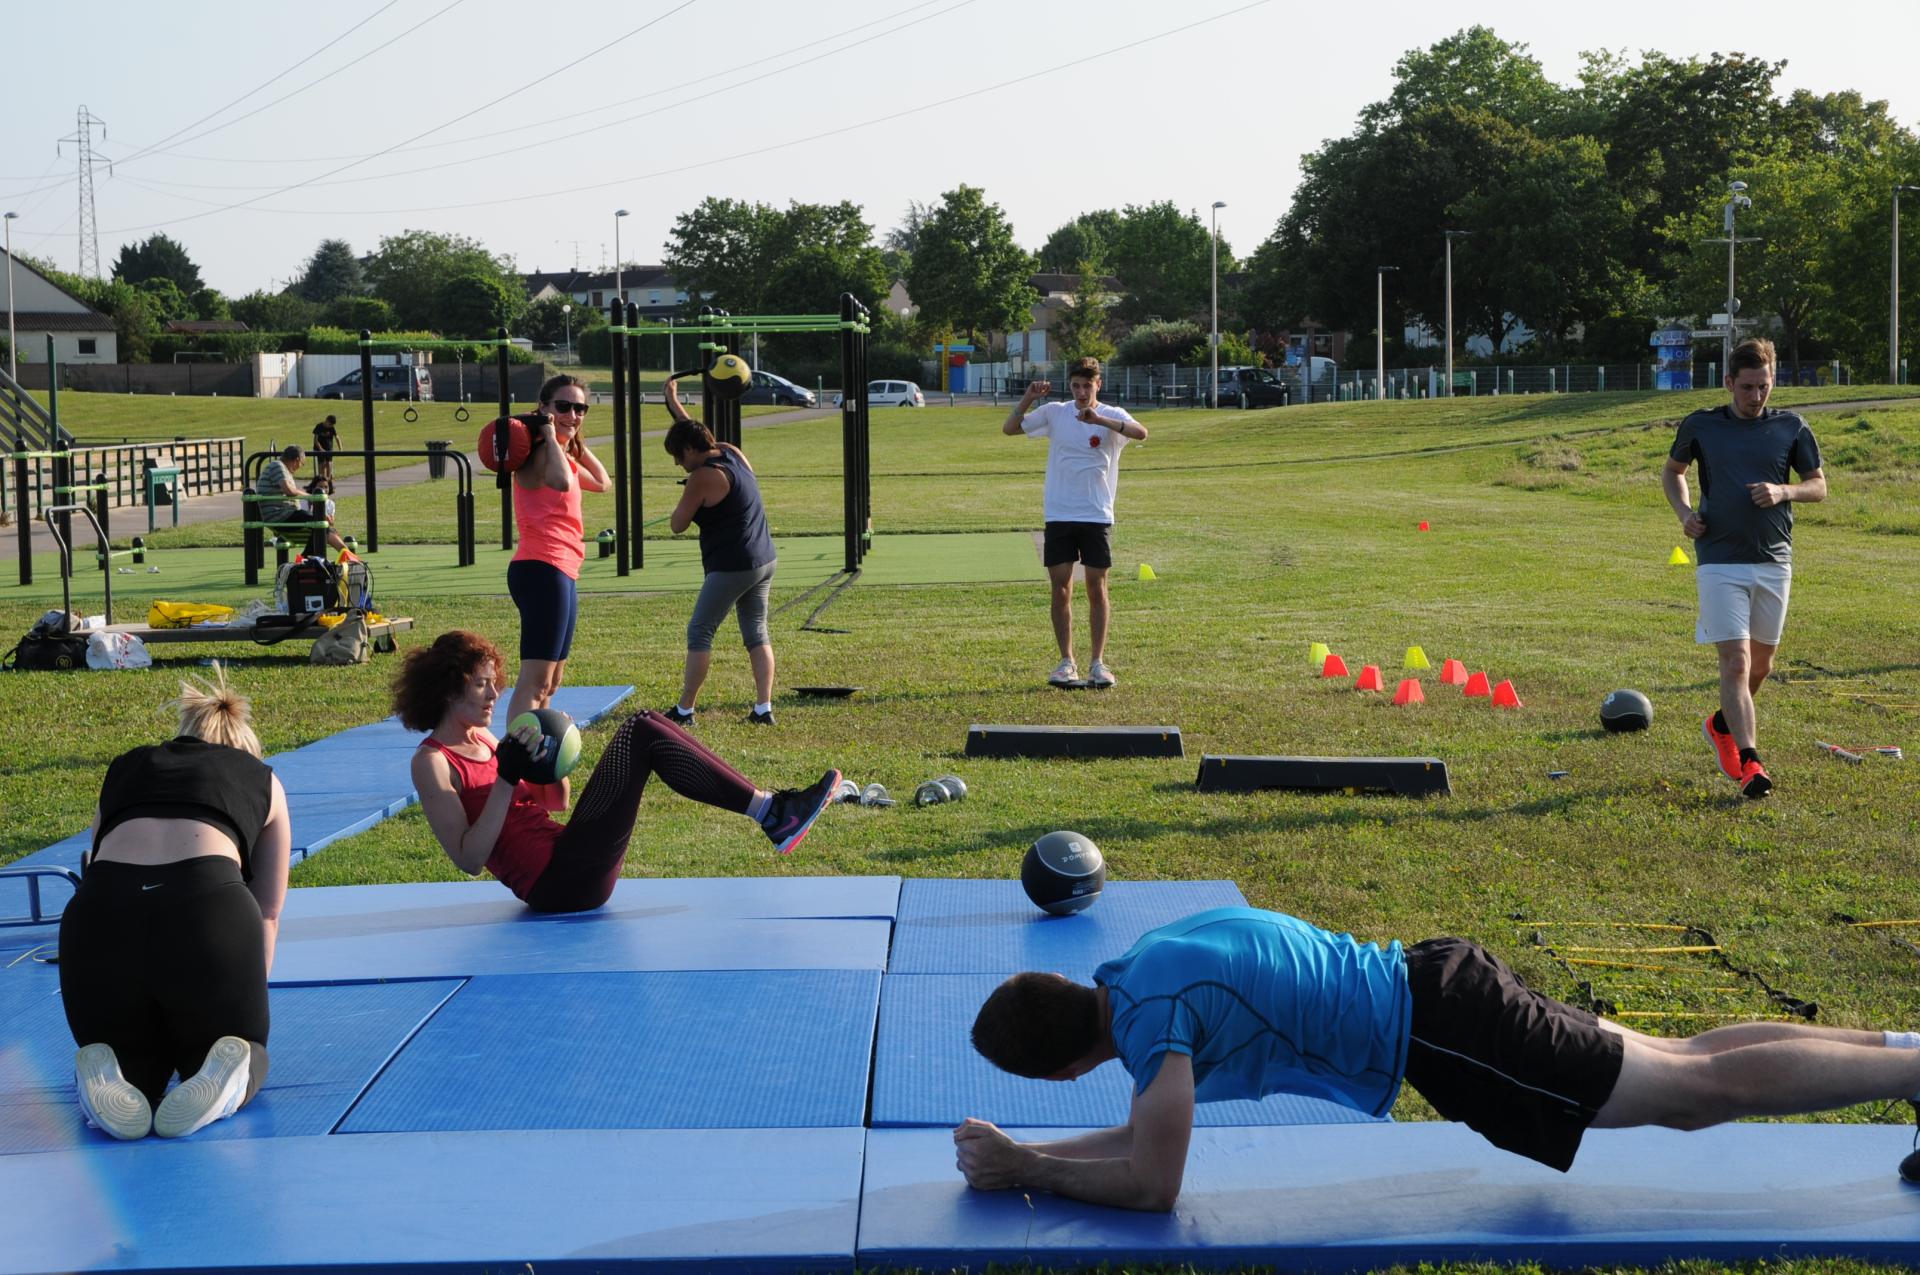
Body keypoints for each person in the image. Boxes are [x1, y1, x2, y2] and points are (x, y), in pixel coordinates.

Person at [959, 906, 1920, 1212]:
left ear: (1062, 1070)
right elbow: (1142, 1136)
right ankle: (1907, 1050)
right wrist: (1027, 1158)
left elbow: (1154, 1180)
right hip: (1438, 979)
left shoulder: (1152, 1024)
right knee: (1684, 1056)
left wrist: (1027, 1169)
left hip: (1451, 1033)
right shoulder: (1138, 969)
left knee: (1693, 1094)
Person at [397, 630, 840, 912]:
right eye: (482, 684)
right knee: (640, 730)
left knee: (646, 724)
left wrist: (548, 756)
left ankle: (772, 811)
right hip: (558, 884)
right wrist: (506, 778)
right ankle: (772, 813)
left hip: (570, 859)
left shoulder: (486, 739)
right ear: (449, 690)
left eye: (495, 683)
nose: (495, 694)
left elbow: (557, 801)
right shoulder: (432, 762)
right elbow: (469, 859)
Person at [58, 669, 292, 1141]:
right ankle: (222, 1073)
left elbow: (97, 859)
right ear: (243, 749)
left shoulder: (125, 767)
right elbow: (268, 911)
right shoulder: (262, 779)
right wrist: (242, 994)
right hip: (206, 906)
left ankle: (117, 1070)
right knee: (234, 1048)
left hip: (99, 914)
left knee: (132, 1058)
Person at [1662, 338, 1826, 800]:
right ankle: (1751, 762)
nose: (1756, 396)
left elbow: (1818, 486)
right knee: (1736, 661)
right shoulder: (1701, 425)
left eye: (1764, 386)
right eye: (1748, 387)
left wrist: (1783, 491)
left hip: (1774, 560)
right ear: (1729, 382)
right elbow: (1673, 472)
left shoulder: (1792, 426)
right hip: (1718, 560)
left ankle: (1721, 723)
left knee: (1762, 666)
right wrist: (1685, 513)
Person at [1001, 356, 1148, 688]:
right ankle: (1067, 662)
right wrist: (1028, 398)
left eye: (1087, 386)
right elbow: (1009, 428)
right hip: (1059, 514)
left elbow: (1142, 433)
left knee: (1097, 588)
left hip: (1096, 515)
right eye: (1076, 386)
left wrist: (1100, 420)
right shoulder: (1055, 412)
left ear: (1098, 385)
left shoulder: (1112, 414)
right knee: (1061, 588)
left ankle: (1098, 663)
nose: (1081, 392)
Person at [662, 375, 778, 725]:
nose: (678, 463)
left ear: (690, 450)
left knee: (700, 631)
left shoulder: (701, 477)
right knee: (756, 631)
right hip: (764, 558)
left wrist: (689, 492)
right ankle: (763, 709)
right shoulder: (730, 452)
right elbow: (696, 436)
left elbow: (677, 524)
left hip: (732, 565)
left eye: (677, 456)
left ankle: (684, 710)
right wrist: (674, 404)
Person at [506, 374, 610, 725]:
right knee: (535, 680)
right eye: (563, 406)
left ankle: (538, 748)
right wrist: (551, 434)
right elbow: (562, 481)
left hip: (563, 570)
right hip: (541, 568)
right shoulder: (539, 454)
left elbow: (603, 482)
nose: (573, 414)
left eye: (580, 408)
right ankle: (516, 753)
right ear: (544, 409)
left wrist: (572, 438)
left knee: (552, 681)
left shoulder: (561, 455)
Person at [254, 444, 346, 557]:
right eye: (301, 464)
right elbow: (289, 490)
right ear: (297, 460)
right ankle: (308, 558)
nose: (299, 467)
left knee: (323, 526)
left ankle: (344, 554)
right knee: (320, 524)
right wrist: (310, 497)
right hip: (281, 515)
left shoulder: (282, 469)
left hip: (283, 514)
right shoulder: (277, 466)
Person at [311, 414, 339, 488]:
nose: (330, 426)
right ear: (326, 420)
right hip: (319, 450)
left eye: (331, 425)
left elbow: (337, 437)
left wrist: (340, 449)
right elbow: (316, 440)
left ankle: (329, 483)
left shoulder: (332, 428)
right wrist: (321, 449)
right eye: (329, 424)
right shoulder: (319, 426)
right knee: (322, 465)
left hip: (329, 449)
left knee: (329, 464)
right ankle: (322, 483)